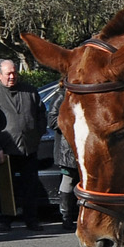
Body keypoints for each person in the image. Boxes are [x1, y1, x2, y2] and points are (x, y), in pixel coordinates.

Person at [0, 59, 47, 230]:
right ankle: (6, 219)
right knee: (7, 186)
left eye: (14, 72)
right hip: (5, 150)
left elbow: (41, 115)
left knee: (30, 185)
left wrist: (37, 134)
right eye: (8, 73)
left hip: (29, 146)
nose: (12, 76)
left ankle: (31, 219)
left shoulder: (30, 91)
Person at [47, 85, 79, 231]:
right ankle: (66, 217)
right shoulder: (61, 96)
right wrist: (71, 122)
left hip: (86, 146)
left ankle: (82, 216)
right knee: (69, 180)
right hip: (67, 148)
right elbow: (52, 120)